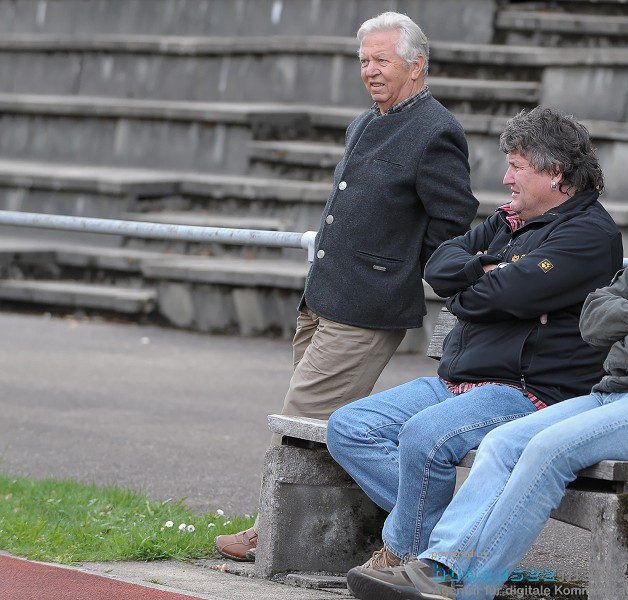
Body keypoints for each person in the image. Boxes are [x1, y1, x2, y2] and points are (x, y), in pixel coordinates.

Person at [345, 139, 628, 600]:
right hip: (621, 398)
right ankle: (439, 566)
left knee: (546, 447)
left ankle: (463, 588)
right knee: (504, 441)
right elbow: (594, 319)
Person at [214, 11, 479, 562]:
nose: (370, 70)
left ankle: (273, 528)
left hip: (366, 306)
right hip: (323, 296)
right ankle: (354, 528)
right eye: (364, 60)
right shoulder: (365, 121)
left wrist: (417, 272)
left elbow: (451, 222)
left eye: (382, 60)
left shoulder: (436, 130)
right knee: (315, 424)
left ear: (417, 65)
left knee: (299, 413)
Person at [326, 107, 623, 571]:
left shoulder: (589, 234)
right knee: (348, 427)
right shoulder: (509, 222)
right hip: (459, 380)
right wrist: (482, 274)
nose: (506, 178)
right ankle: (443, 540)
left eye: (517, 166)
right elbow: (439, 263)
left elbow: (507, 293)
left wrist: (468, 291)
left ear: (555, 173)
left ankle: (403, 557)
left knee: (424, 436)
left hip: (526, 391)